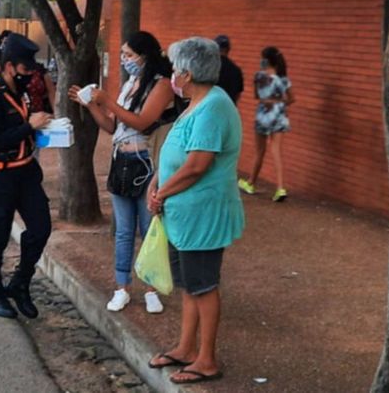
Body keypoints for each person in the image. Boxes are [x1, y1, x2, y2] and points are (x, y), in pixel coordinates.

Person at [147, 37, 244, 384]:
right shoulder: (196, 102)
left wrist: (162, 194)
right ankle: (186, 348)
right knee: (189, 284)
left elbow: (196, 165)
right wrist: (157, 181)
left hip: (202, 213)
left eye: (175, 70)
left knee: (203, 285)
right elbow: (178, 153)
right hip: (182, 212)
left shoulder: (214, 106)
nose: (172, 75)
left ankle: (206, 360)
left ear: (187, 74)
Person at [68, 31, 175, 314]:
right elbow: (112, 126)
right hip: (121, 162)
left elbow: (142, 122)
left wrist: (106, 100)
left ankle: (152, 287)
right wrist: (91, 104)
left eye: (129, 54)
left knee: (148, 229)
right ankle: (122, 286)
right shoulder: (129, 85)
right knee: (124, 231)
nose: (125, 60)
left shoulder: (161, 85)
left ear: (146, 55)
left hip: (147, 165)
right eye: (123, 55)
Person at [0, 33, 52, 319]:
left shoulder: (19, 93)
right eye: (25, 68)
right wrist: (29, 127)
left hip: (25, 172)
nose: (30, 72)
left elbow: (24, 128)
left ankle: (20, 282)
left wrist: (43, 128)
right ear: (9, 66)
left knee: (41, 227)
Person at [238, 46, 295, 201]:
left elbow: (257, 95)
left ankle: (251, 182)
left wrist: (268, 99)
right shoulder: (284, 79)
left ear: (265, 60)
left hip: (263, 114)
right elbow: (291, 99)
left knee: (260, 151)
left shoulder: (259, 76)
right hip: (279, 115)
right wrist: (280, 101)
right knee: (276, 151)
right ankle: (280, 187)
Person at [214, 34, 243, 105]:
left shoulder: (210, 67)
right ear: (228, 49)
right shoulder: (236, 70)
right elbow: (238, 94)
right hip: (229, 110)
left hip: (212, 109)